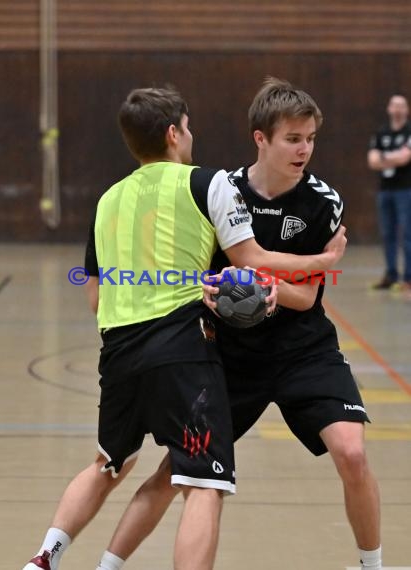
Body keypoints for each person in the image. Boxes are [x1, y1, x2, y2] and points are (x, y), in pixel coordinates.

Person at [22, 85, 347, 570]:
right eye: (189, 126)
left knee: (109, 463)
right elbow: (251, 258)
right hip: (182, 351)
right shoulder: (209, 183)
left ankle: (44, 558)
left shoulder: (107, 200)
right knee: (205, 483)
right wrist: (323, 259)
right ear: (175, 133)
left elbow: (95, 296)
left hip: (117, 352)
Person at [367, 93, 411, 290]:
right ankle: (391, 275)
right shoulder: (381, 133)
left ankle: (408, 278)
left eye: (402, 105)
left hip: (406, 190)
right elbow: (372, 161)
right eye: (395, 105)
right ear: (389, 109)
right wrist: (393, 156)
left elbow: (405, 158)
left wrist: (384, 157)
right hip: (385, 191)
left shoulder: (409, 131)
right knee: (388, 233)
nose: (398, 109)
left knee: (408, 233)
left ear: (407, 110)